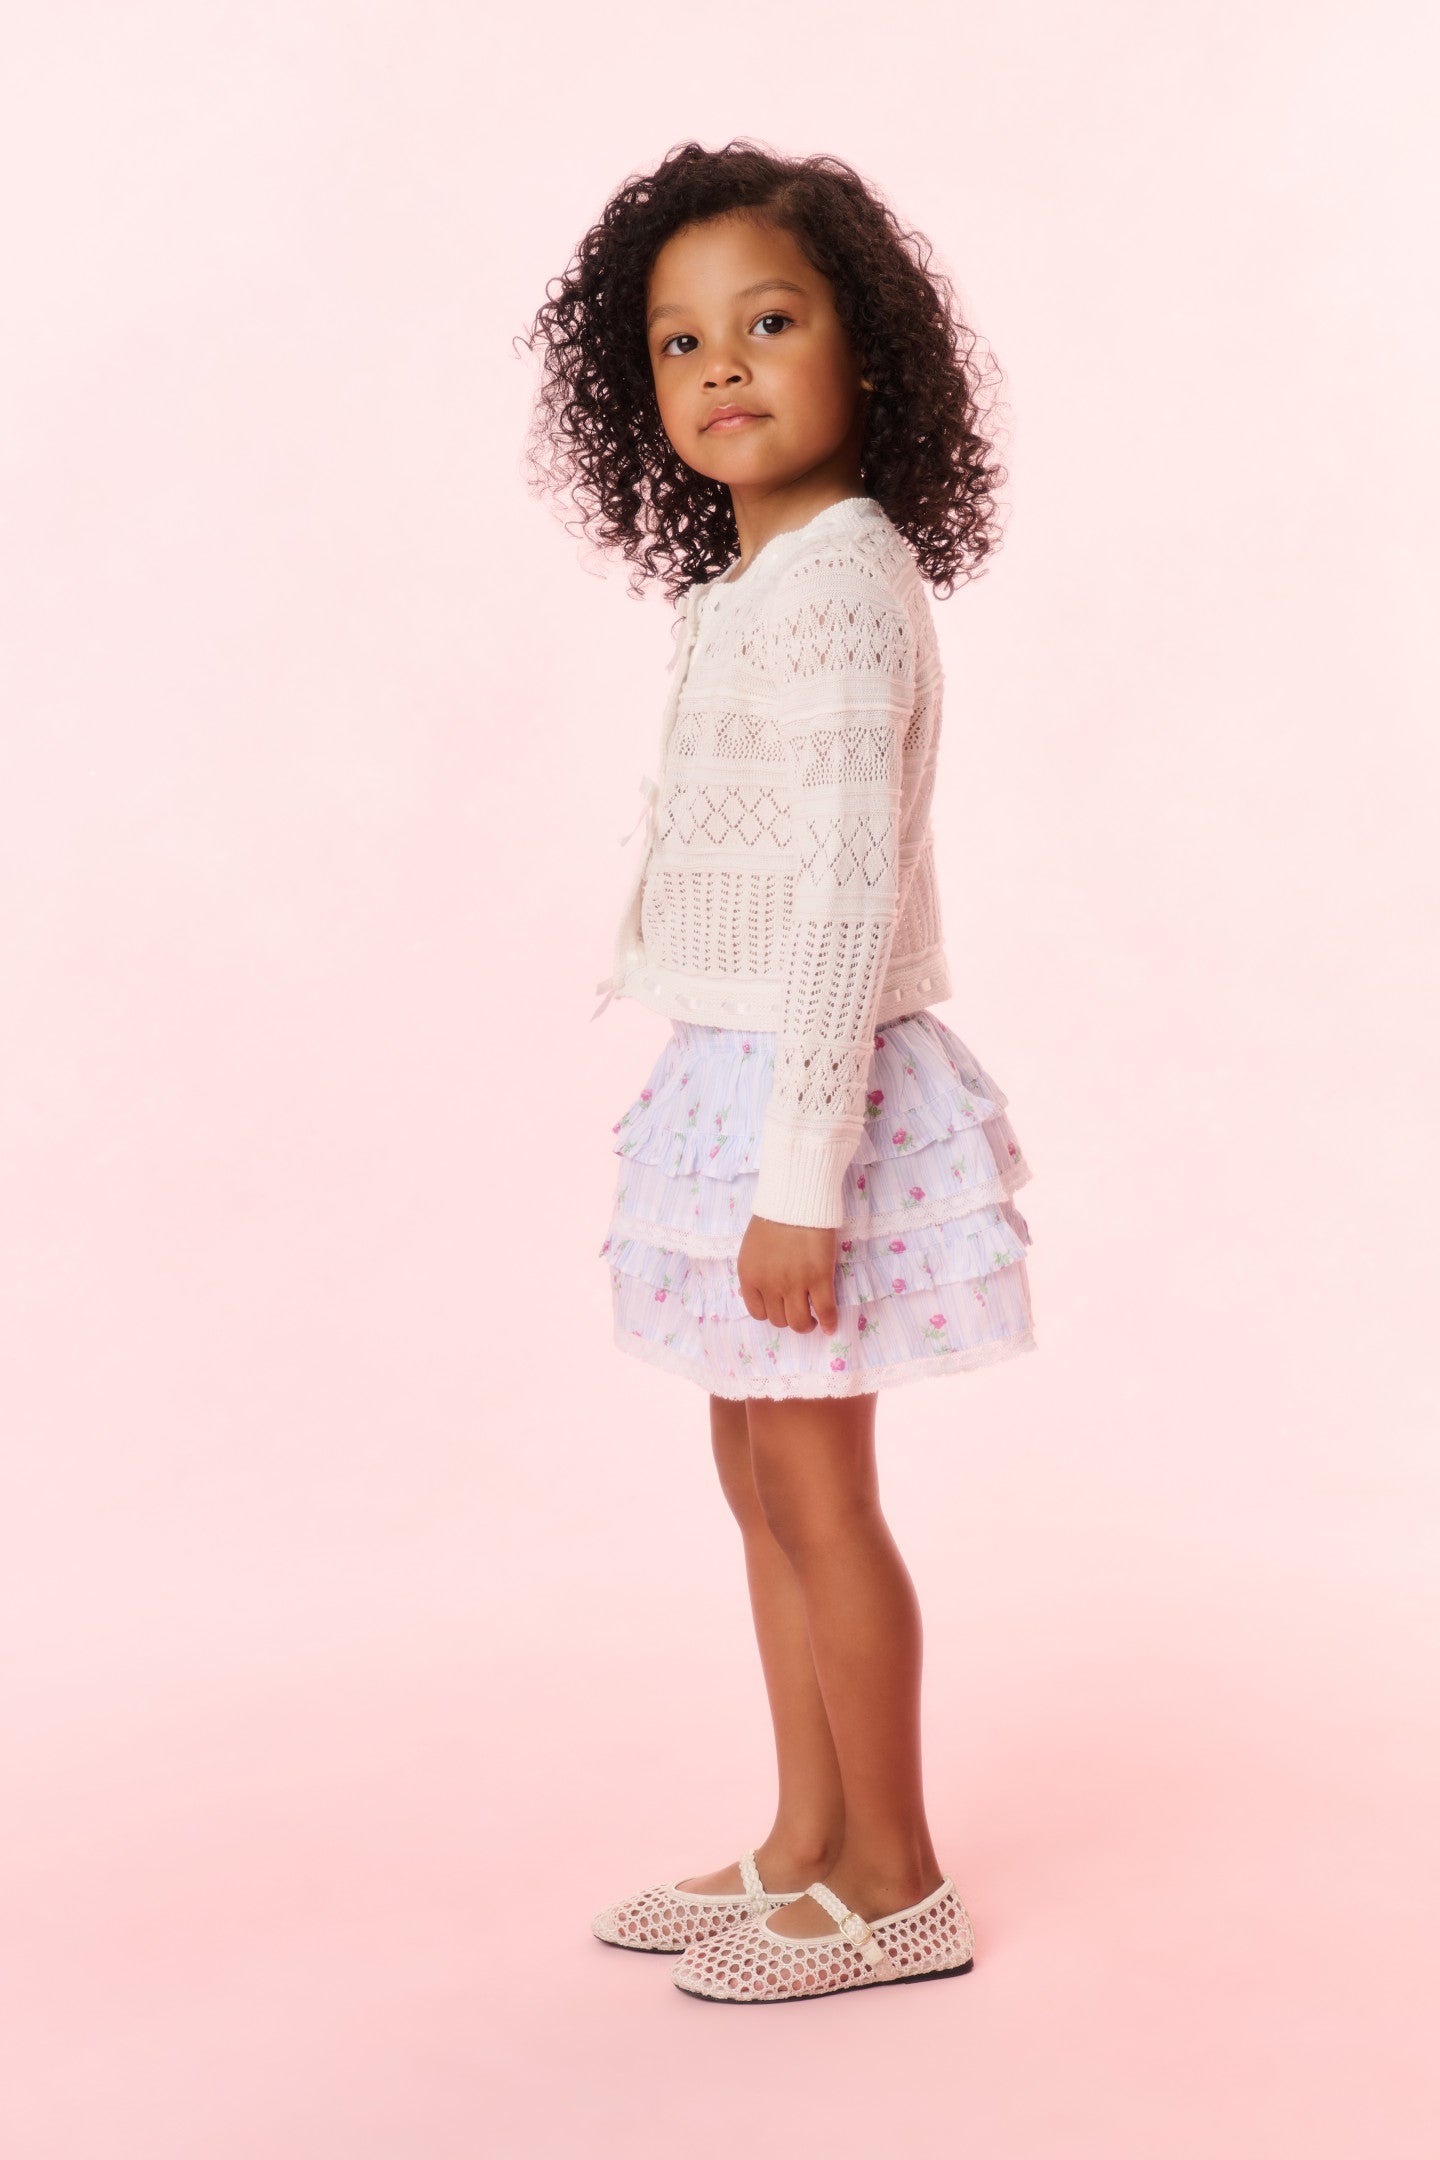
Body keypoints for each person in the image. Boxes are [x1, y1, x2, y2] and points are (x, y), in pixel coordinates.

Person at [522, 139, 1037, 2006]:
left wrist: (797, 1180)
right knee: (758, 1482)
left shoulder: (837, 586)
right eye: (679, 342)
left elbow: (839, 897)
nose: (720, 364)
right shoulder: (754, 584)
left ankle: (895, 1877)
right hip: (738, 1074)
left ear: (867, 353)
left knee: (819, 1496)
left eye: (769, 321)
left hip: (806, 1098)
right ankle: (804, 1840)